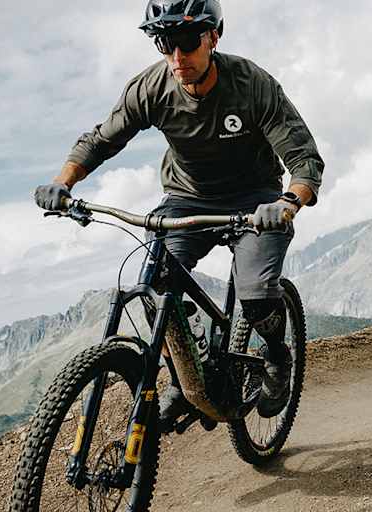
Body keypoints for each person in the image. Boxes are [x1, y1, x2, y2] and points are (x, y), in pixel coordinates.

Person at [32, 0, 323, 420]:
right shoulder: (151, 88)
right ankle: (185, 377)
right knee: (155, 287)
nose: (177, 56)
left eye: (187, 41)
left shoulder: (251, 84)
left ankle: (278, 357)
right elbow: (100, 140)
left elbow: (304, 159)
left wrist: (288, 202)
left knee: (257, 295)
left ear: (213, 37)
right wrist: (63, 183)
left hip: (257, 199)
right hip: (187, 197)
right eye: (166, 43)